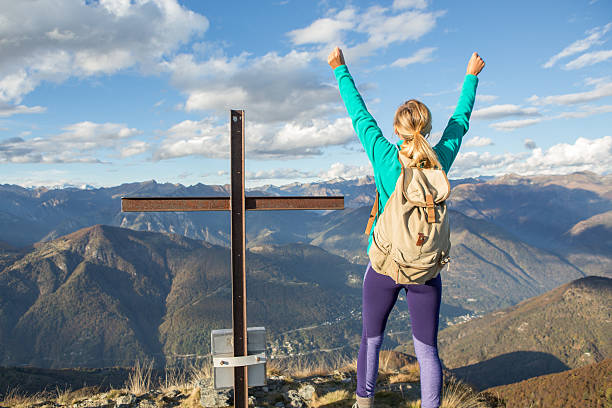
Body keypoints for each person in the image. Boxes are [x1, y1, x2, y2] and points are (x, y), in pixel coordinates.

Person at [328, 47, 485, 408]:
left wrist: (340, 68)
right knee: (427, 350)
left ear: (397, 129)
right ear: (426, 129)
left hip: (384, 265)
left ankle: (363, 403)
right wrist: (471, 76)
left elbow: (359, 115)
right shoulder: (439, 161)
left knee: (371, 339)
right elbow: (460, 122)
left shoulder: (385, 158)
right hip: (425, 271)